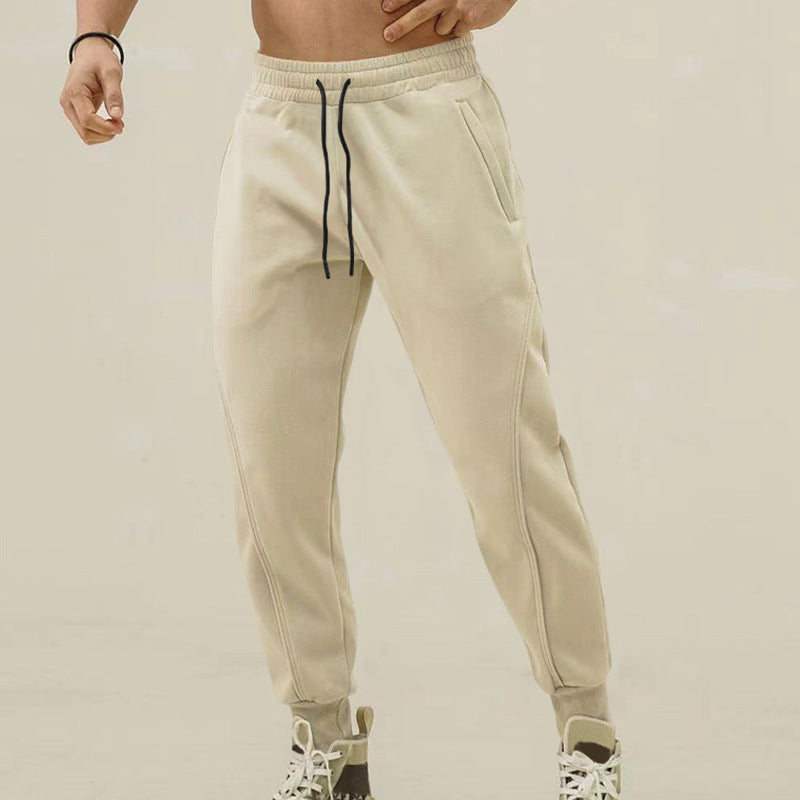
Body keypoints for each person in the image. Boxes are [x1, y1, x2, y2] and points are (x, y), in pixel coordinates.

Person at [60, 2, 623, 797]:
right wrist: (95, 34)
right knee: (270, 462)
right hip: (280, 122)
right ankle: (323, 742)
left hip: (425, 108)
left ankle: (587, 734)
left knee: (504, 447)